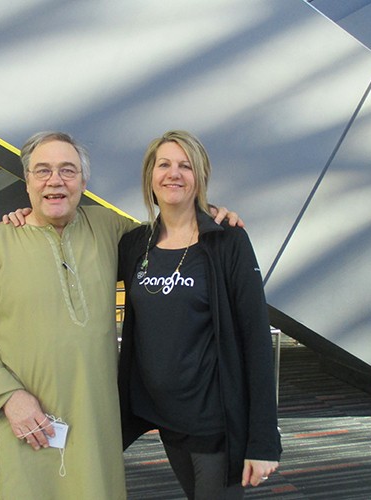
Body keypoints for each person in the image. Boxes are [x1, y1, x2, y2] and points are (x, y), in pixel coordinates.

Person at [0, 131, 242, 499]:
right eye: (42, 171)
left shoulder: (109, 228)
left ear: (83, 182)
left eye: (67, 170)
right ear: (27, 181)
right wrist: (7, 397)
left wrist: (209, 215)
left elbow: (171, 237)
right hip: (28, 421)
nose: (55, 180)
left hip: (96, 420)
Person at [117, 130, 282, 499]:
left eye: (185, 166)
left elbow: (256, 339)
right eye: (164, 164)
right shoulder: (135, 244)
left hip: (217, 424)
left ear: (200, 176)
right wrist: (31, 216)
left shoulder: (227, 241)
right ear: (150, 175)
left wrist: (263, 441)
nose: (173, 173)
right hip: (167, 420)